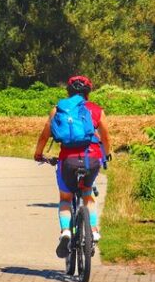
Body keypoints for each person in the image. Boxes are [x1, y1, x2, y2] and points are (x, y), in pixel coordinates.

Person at [34, 75, 111, 258]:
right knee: (88, 195)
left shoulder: (58, 109)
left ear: (68, 92)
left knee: (65, 199)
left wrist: (38, 154)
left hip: (67, 161)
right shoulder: (96, 110)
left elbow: (45, 135)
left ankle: (66, 232)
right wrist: (106, 154)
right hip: (90, 160)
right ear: (88, 92)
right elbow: (106, 137)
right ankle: (92, 228)